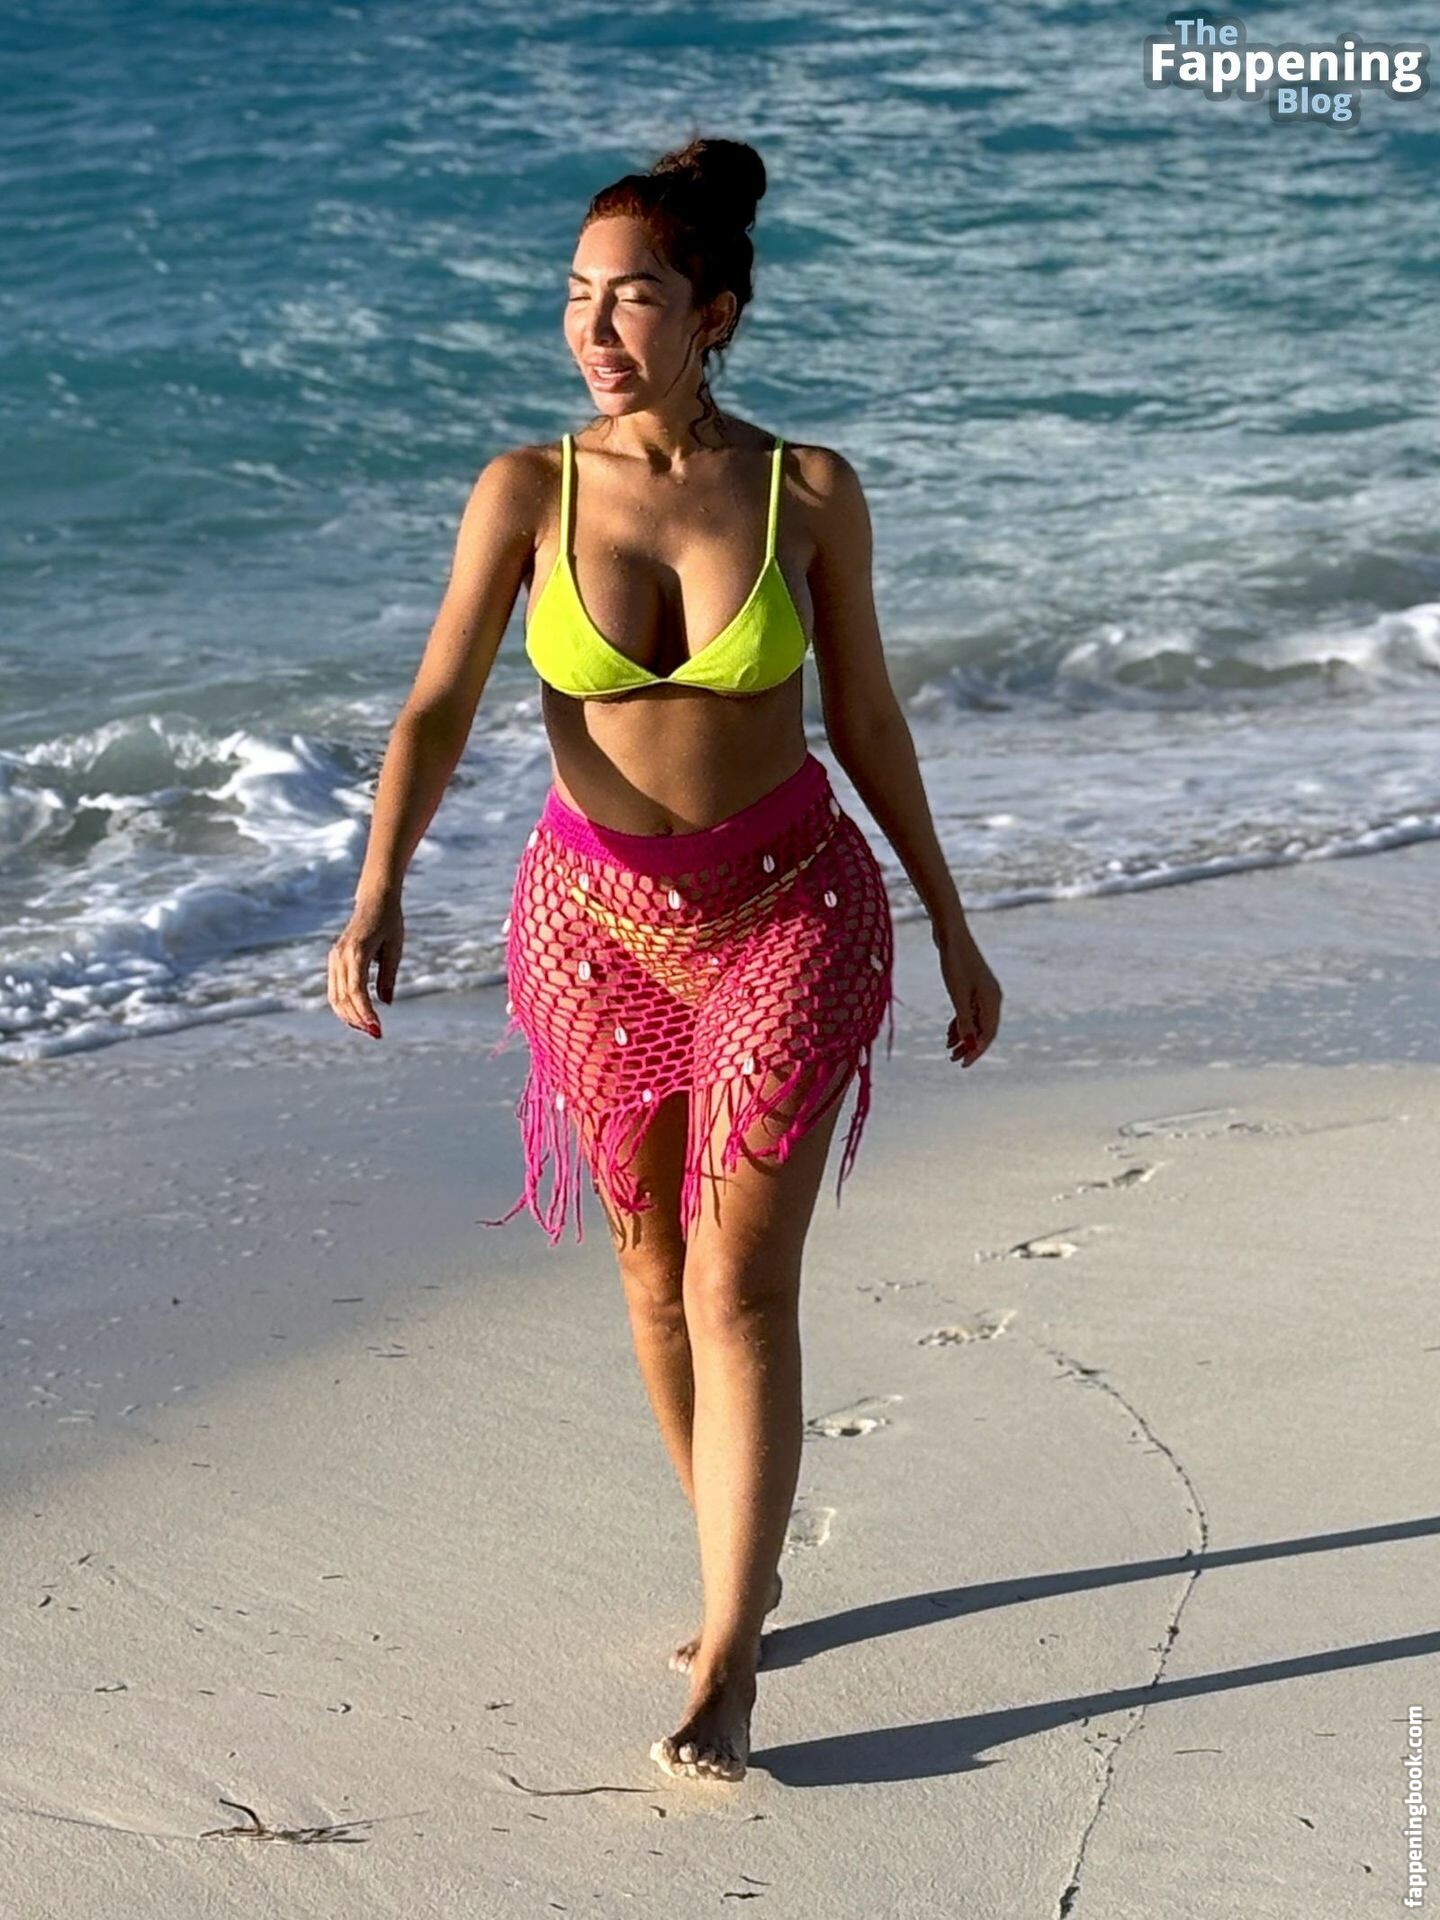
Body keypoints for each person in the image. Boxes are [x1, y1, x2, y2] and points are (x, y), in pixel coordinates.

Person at [328, 134, 1003, 1785]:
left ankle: (732, 1665)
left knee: (735, 1282)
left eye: (632, 297)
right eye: (577, 295)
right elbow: (434, 706)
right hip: (593, 925)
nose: (594, 327)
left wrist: (948, 915)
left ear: (715, 312)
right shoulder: (527, 490)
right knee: (647, 1274)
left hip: (791, 909)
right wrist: (376, 889)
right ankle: (734, 1574)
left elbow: (867, 719)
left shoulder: (808, 493)